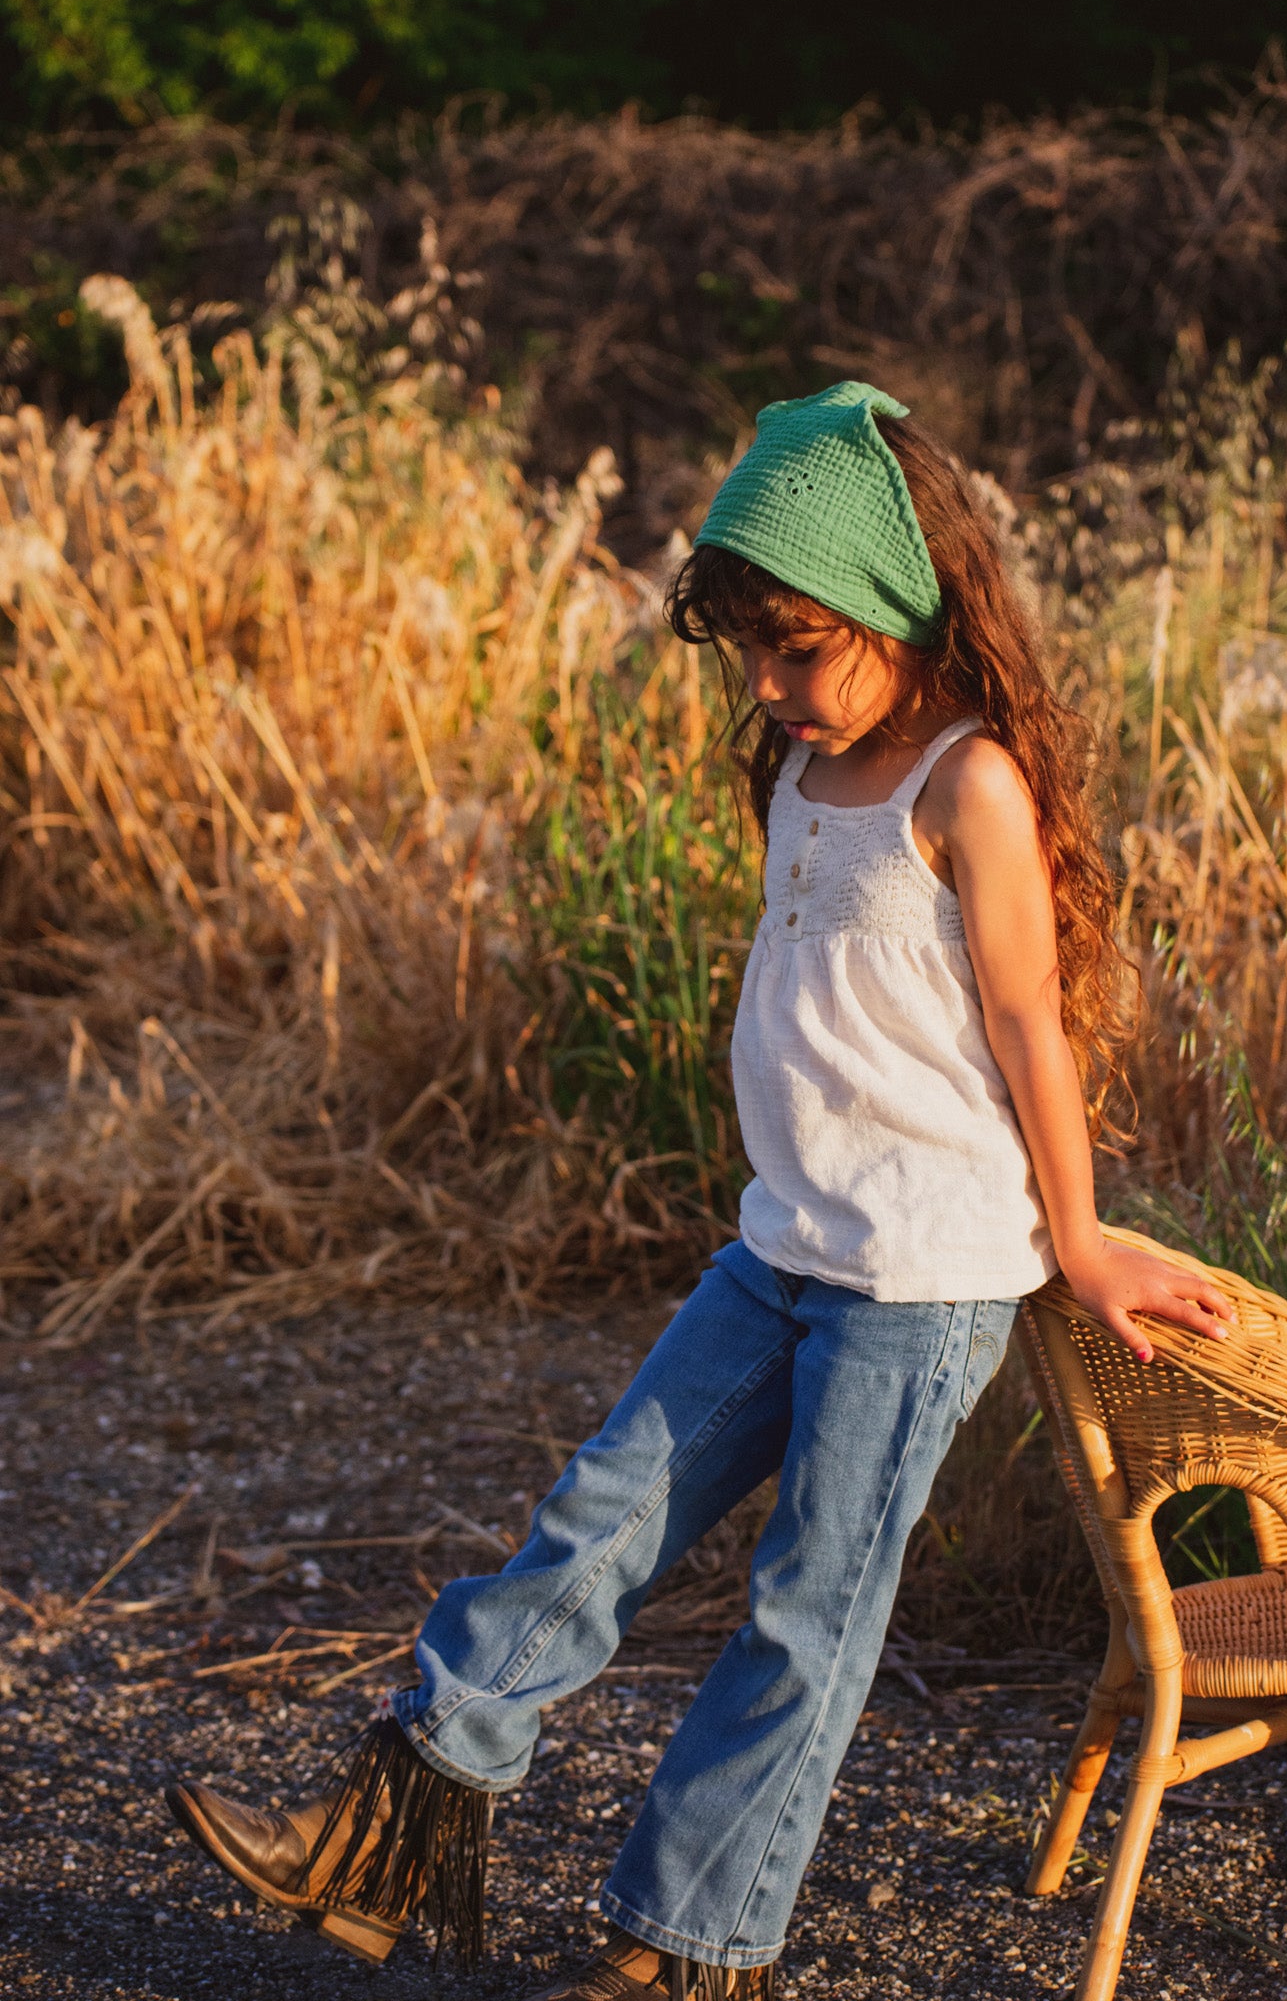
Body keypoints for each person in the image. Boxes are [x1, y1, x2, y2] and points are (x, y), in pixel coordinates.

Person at [163, 381, 1232, 1996]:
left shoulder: (968, 783)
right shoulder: (805, 770)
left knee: (805, 1615)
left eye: (796, 644)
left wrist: (1072, 1241)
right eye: (743, 646)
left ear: (896, 610)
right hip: (781, 1248)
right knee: (591, 1526)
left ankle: (680, 1952)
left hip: (923, 1278)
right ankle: (385, 1840)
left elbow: (1028, 1023)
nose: (767, 683)